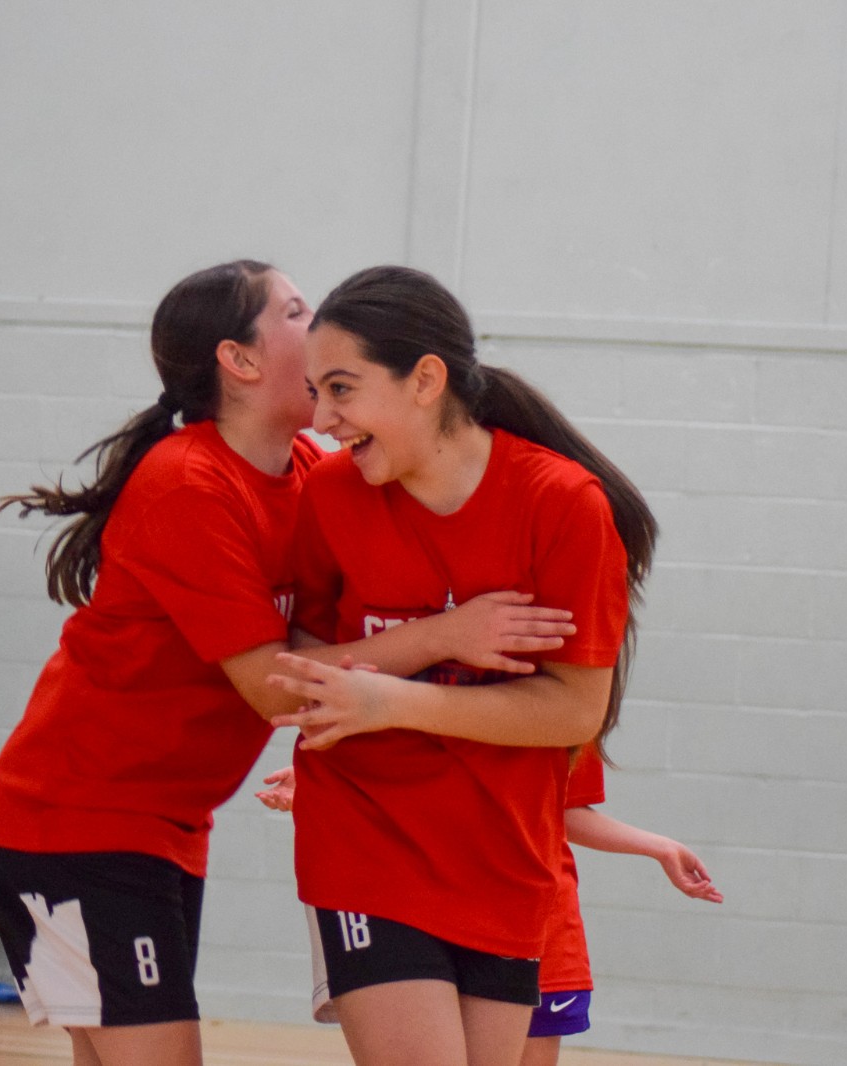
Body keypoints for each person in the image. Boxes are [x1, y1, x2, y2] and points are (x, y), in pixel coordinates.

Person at [0, 260, 576, 1066]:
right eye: (296, 311)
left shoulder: (308, 475)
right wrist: (445, 635)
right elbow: (276, 686)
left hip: (165, 826)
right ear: (240, 360)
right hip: (75, 822)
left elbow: (318, 655)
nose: (319, 320)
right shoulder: (187, 484)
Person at [265, 265, 659, 1066]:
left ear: (426, 380)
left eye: (340, 390)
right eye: (314, 393)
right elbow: (297, 670)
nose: (322, 419)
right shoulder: (331, 496)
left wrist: (393, 702)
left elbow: (573, 711)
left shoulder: (563, 504)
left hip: (505, 858)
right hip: (364, 843)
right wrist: (440, 637)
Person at [254, 752, 723, 1065]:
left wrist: (659, 847)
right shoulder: (440, 672)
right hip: (433, 910)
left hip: (537, 925)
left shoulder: (572, 698)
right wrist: (332, 780)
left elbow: (565, 807)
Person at [522, 745, 721, 1066]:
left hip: (545, 929)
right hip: (460, 919)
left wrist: (661, 848)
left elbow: (563, 809)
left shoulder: (579, 722)